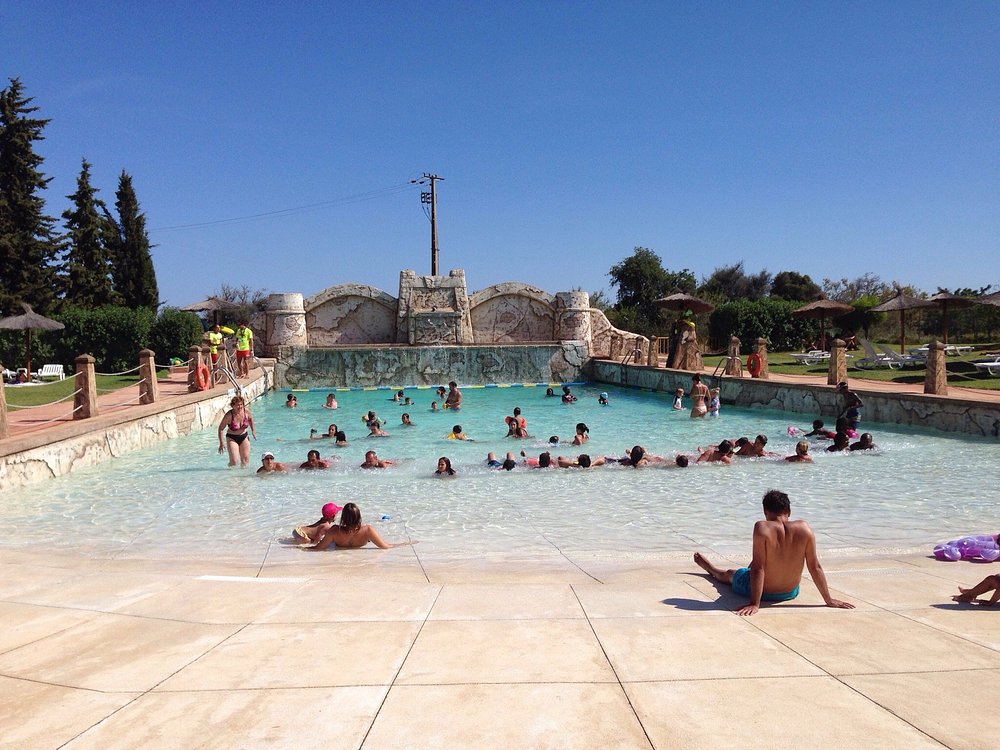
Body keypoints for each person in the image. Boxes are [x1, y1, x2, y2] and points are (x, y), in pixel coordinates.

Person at [693, 489, 855, 616]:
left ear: (765, 511)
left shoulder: (762, 528)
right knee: (758, 562)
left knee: (731, 573)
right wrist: (828, 599)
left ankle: (712, 570)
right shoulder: (805, 528)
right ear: (789, 511)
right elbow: (815, 567)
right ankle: (724, 570)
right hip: (790, 592)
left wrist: (754, 604)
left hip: (764, 593)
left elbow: (758, 569)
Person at [305, 502, 416, 550]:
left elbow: (318, 548)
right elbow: (386, 546)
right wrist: (406, 543)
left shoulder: (334, 530)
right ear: (359, 517)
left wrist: (301, 548)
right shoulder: (368, 530)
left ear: (343, 518)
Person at [218, 395, 256, 467]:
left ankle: (243, 477)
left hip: (244, 436)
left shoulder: (246, 412)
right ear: (233, 406)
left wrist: (253, 430)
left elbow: (250, 419)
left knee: (245, 461)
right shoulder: (229, 415)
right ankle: (230, 476)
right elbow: (221, 428)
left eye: (241, 404)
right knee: (234, 462)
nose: (240, 407)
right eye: (238, 405)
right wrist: (221, 443)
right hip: (232, 438)